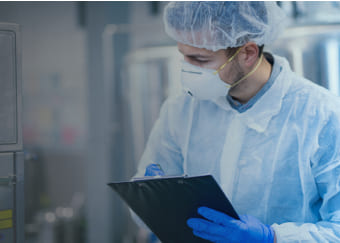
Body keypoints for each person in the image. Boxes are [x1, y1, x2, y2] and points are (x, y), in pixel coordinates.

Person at [133, 1, 340, 242]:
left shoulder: (322, 115)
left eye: (200, 59)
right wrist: (148, 196)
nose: (187, 70)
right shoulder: (181, 111)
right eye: (183, 56)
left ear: (248, 53)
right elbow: (144, 215)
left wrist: (272, 237)